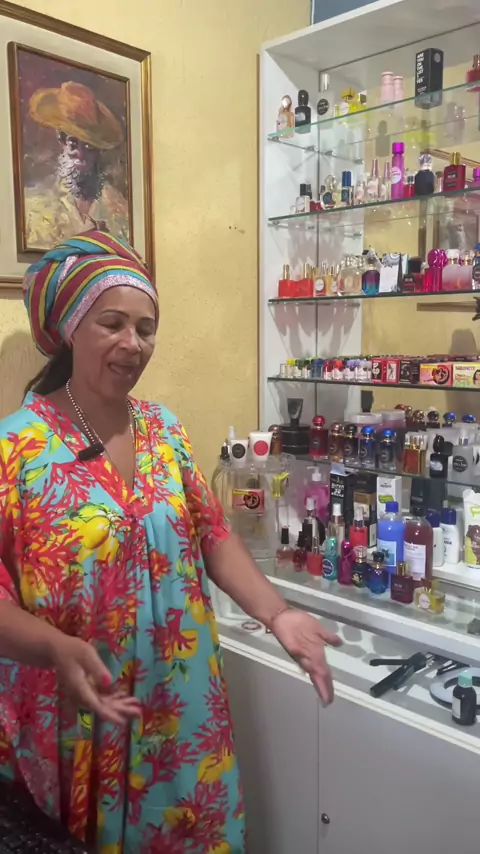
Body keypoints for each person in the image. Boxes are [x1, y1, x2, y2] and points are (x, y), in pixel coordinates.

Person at [0, 230, 340, 853]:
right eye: (112, 323)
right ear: (72, 327)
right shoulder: (16, 447)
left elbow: (213, 536)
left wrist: (279, 613)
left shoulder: (164, 430)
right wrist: (56, 648)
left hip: (180, 702)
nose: (133, 343)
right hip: (79, 708)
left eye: (146, 328)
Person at [25, 82, 129, 250]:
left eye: (89, 146)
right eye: (73, 143)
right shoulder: (35, 205)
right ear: (61, 142)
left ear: (98, 151)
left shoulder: (119, 208)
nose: (80, 154)